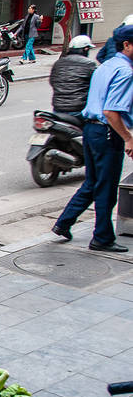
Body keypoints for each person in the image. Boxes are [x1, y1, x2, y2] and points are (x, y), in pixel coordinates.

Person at [52, 24, 133, 253]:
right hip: (107, 132)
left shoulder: (106, 65)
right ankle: (102, 238)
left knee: (92, 182)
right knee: (105, 187)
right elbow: (111, 111)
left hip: (91, 130)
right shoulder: (126, 72)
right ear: (126, 45)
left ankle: (64, 222)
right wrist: (128, 138)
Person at [49, 35, 97, 115]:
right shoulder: (89, 64)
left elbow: (52, 81)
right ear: (86, 49)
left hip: (57, 108)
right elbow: (97, 84)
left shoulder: (58, 63)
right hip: (79, 109)